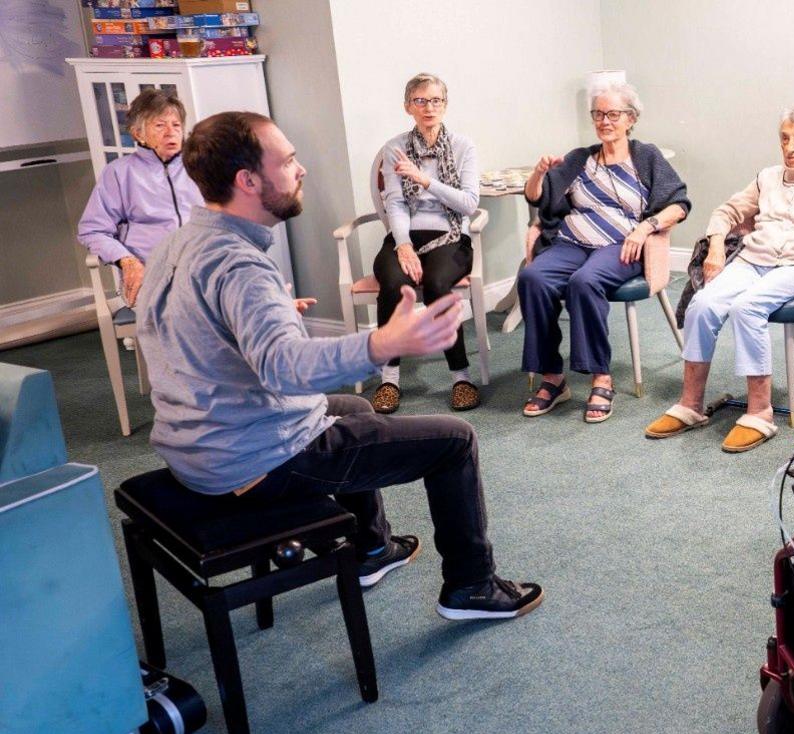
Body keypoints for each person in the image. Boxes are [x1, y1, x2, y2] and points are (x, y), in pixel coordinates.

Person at [135, 111, 542, 621]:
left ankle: (372, 548)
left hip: (194, 446)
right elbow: (285, 369)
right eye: (287, 161)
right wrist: (380, 343)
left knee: (353, 407)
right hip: (256, 459)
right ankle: (472, 587)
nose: (301, 169)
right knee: (454, 441)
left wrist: (259, 316)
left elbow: (171, 330)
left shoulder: (177, 243)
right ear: (248, 181)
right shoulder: (240, 264)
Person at [644, 104, 794, 452]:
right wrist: (716, 245)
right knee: (702, 304)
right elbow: (727, 212)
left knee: (746, 308)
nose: (790, 147)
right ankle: (690, 403)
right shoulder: (767, 177)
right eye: (785, 138)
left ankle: (760, 411)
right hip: (754, 259)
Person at [519, 81, 690, 423]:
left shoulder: (646, 156)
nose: (604, 121)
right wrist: (538, 174)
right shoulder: (579, 159)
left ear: (631, 118)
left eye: (613, 114)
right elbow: (537, 197)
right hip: (571, 241)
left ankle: (601, 377)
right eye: (598, 114)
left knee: (584, 282)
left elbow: (679, 204)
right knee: (532, 277)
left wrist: (644, 228)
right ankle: (552, 377)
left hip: (620, 244)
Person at [369, 73, 482, 414]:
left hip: (451, 236)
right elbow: (395, 203)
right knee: (392, 283)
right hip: (406, 236)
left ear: (445, 105)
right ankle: (389, 379)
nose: (428, 107)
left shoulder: (463, 146)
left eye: (435, 100)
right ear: (408, 107)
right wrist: (402, 244)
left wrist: (425, 180)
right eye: (420, 100)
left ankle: (461, 377)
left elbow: (469, 204)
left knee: (436, 283)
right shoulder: (395, 148)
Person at [78, 88, 203, 309]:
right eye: (160, 125)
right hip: (152, 275)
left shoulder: (200, 166)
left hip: (203, 267)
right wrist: (128, 262)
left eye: (176, 125)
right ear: (138, 134)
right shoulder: (119, 173)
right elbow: (93, 230)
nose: (171, 132)